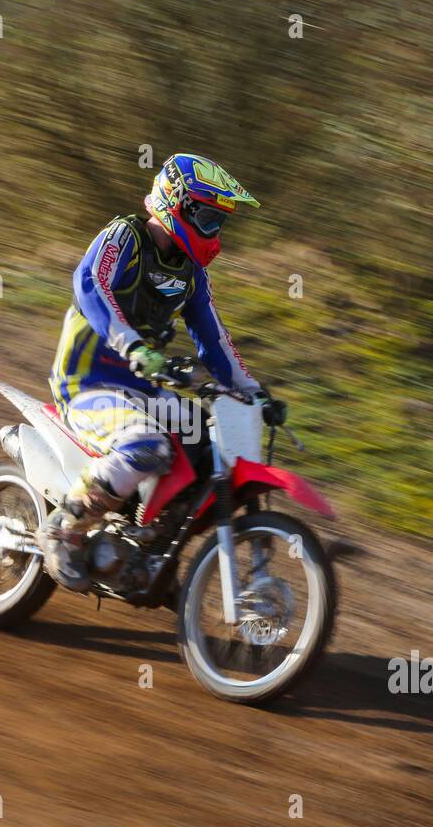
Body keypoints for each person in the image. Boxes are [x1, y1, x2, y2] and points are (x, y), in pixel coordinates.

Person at [38, 153, 286, 591]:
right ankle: (63, 527)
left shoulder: (190, 274)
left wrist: (252, 392)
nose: (215, 231)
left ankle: (151, 550)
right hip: (87, 384)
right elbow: (90, 283)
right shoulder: (125, 236)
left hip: (140, 389)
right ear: (177, 203)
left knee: (211, 445)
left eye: (220, 222)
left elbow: (213, 338)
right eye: (208, 217)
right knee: (145, 445)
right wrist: (131, 344)